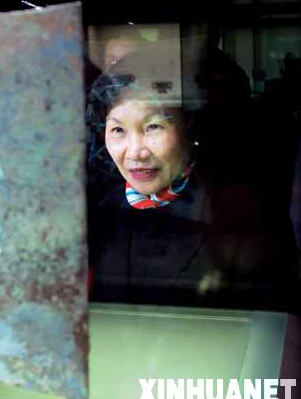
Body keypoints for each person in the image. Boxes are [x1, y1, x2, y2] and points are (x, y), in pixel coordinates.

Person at [86, 52, 299, 308]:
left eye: (153, 126)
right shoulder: (104, 210)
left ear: (190, 126)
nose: (135, 153)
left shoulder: (244, 213)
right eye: (118, 130)